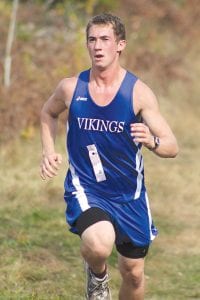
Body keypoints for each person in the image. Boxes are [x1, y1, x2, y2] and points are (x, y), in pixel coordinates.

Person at [40, 13, 179, 300]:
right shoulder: (71, 88)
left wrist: (151, 140)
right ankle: (97, 276)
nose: (97, 46)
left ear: (120, 45)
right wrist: (49, 151)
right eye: (92, 39)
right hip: (87, 188)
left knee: (134, 274)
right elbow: (48, 113)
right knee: (99, 244)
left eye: (105, 39)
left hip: (130, 195)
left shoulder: (137, 93)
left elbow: (171, 146)